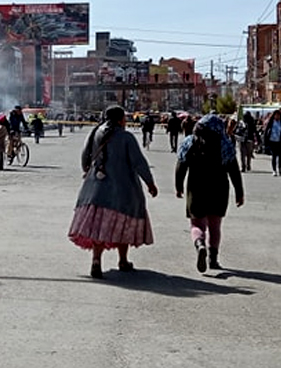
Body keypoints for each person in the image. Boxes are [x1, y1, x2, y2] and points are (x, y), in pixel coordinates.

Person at [68, 105, 158, 279]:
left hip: (95, 189)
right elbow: (138, 162)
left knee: (98, 228)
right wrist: (150, 183)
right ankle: (123, 260)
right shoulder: (126, 137)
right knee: (123, 225)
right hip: (123, 190)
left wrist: (89, 171)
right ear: (120, 119)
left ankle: (96, 261)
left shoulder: (95, 132)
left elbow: (85, 155)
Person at [175, 114, 244, 273]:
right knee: (215, 225)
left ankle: (199, 244)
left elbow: (181, 166)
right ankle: (213, 259)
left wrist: (178, 186)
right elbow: (234, 171)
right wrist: (239, 192)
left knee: (197, 224)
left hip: (196, 187)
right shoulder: (225, 144)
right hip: (219, 188)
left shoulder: (190, 142)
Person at [263, 109, 281, 176]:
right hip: (272, 141)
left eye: (279, 115)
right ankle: (274, 170)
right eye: (276, 115)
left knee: (280, 156)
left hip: (280, 141)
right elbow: (266, 132)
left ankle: (279, 168)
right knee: (274, 156)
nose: (277, 116)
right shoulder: (271, 122)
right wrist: (265, 142)